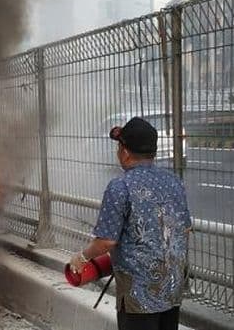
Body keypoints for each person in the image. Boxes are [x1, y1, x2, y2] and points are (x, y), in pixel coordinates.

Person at [69, 117, 191, 330]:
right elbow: (185, 228)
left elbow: (106, 241)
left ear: (124, 152)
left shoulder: (120, 186)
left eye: (119, 146)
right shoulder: (174, 181)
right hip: (172, 287)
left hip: (139, 295)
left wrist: (82, 258)